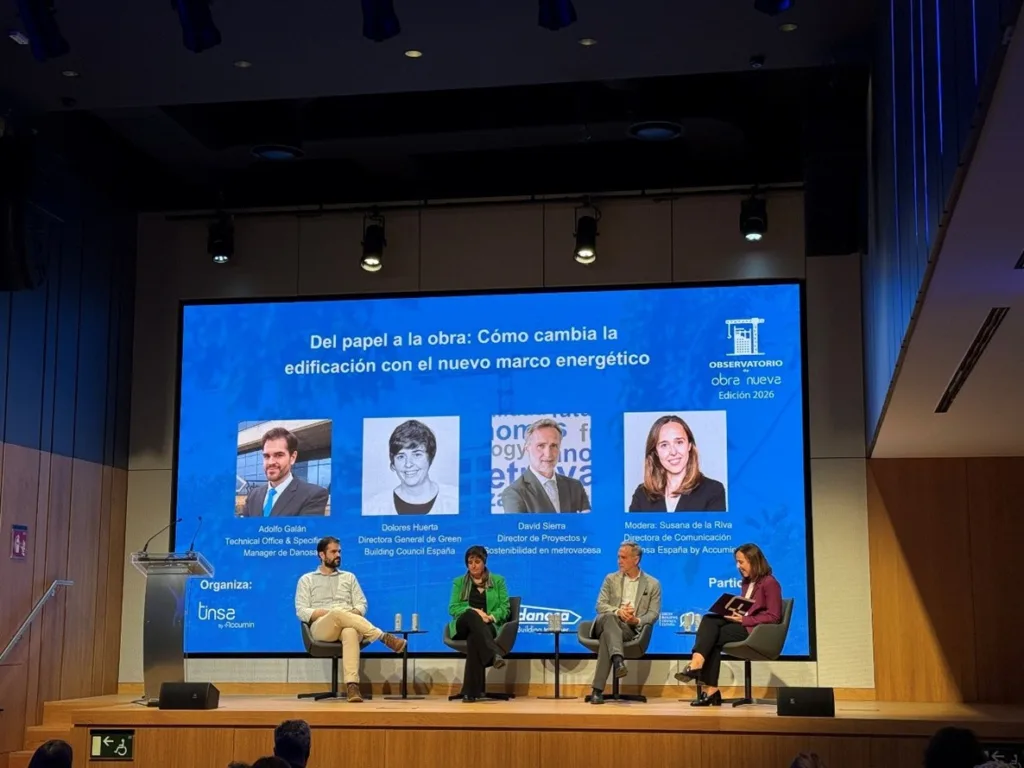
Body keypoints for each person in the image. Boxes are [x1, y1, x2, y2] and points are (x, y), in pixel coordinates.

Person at [294, 536, 407, 702]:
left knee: (350, 631)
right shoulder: (307, 580)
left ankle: (352, 686)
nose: (338, 555)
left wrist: (349, 614)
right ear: (322, 555)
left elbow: (362, 605)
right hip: (322, 628)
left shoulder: (349, 577)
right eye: (333, 552)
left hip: (349, 624)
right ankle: (383, 636)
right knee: (337, 612)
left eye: (339, 551)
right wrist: (330, 613)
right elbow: (302, 611)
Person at [677, 542, 782, 705]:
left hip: (754, 630)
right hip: (742, 623)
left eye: (741, 562)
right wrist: (735, 614)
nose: (738, 566)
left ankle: (704, 678)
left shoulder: (770, 583)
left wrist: (744, 619)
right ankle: (701, 671)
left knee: (712, 638)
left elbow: (774, 617)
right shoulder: (746, 582)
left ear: (753, 561)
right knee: (709, 619)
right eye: (737, 562)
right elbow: (748, 608)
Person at [586, 542, 662, 704]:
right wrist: (618, 611)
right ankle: (618, 660)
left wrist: (636, 620)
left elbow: (653, 614)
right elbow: (600, 605)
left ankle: (598, 689)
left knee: (607, 637)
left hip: (629, 629)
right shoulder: (610, 579)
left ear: (636, 559)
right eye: (618, 557)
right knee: (609, 618)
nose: (619, 561)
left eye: (623, 557)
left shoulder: (652, 584)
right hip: (605, 622)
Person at [447, 545, 511, 702]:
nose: (473, 565)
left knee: (474, 638)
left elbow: (505, 608)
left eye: (477, 561)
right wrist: (476, 612)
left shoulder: (498, 581)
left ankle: (470, 692)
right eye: (470, 562)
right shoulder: (459, 582)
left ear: (484, 562)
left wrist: (490, 617)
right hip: (463, 624)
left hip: (488, 625)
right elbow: (453, 608)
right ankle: (492, 654)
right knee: (471, 615)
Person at [628, 415, 726, 512]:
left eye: (679, 442)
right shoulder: (641, 495)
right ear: (656, 452)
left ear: (689, 445)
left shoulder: (713, 491)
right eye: (664, 445)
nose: (673, 452)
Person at [364, 419, 459, 515]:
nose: (408, 464)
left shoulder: (456, 500)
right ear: (393, 463)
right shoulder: (374, 507)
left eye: (417, 455)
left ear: (430, 457)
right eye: (401, 456)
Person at [500, 417, 590, 513]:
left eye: (553, 445)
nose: (548, 454)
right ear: (527, 449)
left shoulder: (575, 487)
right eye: (541, 446)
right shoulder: (514, 493)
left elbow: (590, 522)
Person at [241, 427, 328, 517]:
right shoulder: (253, 495)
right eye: (266, 456)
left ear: (292, 457)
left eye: (279, 455)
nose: (271, 462)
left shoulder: (313, 495)